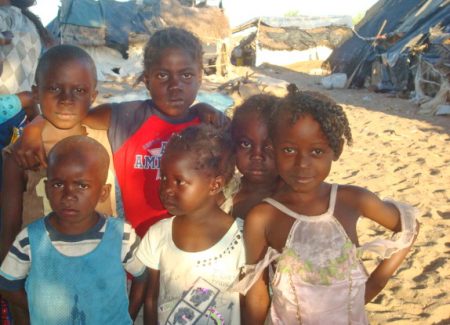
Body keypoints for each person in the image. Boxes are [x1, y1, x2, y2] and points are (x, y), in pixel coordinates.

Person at [13, 27, 227, 237]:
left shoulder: (209, 127)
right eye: (162, 75)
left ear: (200, 76)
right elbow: (70, 111)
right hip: (139, 250)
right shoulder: (125, 117)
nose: (175, 86)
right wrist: (34, 126)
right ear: (146, 80)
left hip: (194, 247)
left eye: (186, 75)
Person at [238, 86, 419, 324]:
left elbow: (409, 226)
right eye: (289, 150)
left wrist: (376, 282)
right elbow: (256, 294)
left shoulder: (352, 200)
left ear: (337, 150)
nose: (302, 164)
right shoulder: (262, 217)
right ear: (274, 146)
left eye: (316, 151)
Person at [0, 135, 146, 324]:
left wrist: (128, 315)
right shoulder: (30, 238)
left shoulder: (121, 236)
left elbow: (143, 275)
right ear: (46, 188)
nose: (68, 195)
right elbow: (7, 284)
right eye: (58, 184)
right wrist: (43, 307)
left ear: (103, 192)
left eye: (82, 185)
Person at [0, 44, 118, 261]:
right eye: (54, 88)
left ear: (93, 95)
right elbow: (9, 228)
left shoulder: (105, 133)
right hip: (41, 268)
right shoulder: (21, 154)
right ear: (36, 92)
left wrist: (200, 109)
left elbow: (152, 109)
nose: (66, 99)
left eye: (79, 90)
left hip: (99, 265)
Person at [136, 125, 245, 325]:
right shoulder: (158, 235)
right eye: (165, 178)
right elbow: (151, 298)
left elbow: (248, 302)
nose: (166, 189)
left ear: (215, 185)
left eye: (179, 181)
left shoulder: (241, 238)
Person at [222, 94, 279, 219]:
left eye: (270, 146)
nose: (257, 156)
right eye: (245, 144)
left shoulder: (289, 202)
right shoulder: (223, 191)